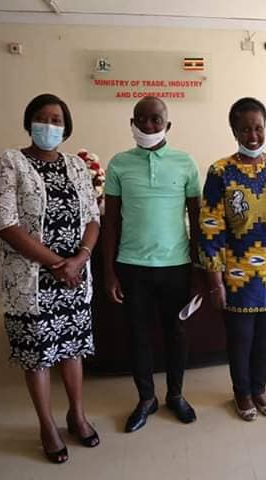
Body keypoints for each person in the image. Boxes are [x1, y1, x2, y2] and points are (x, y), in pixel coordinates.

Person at [0, 93, 100, 463]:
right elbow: (5, 223)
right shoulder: (10, 163)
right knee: (38, 354)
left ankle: (76, 414)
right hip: (32, 280)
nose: (49, 125)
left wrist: (80, 257)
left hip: (74, 276)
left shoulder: (77, 166)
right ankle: (46, 425)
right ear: (28, 122)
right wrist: (57, 264)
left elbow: (92, 219)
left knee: (72, 347)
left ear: (66, 127)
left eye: (56, 119)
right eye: (42, 118)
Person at [199, 97, 266, 421]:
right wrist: (215, 280)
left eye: (258, 127)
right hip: (237, 275)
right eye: (245, 129)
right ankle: (241, 392)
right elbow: (210, 225)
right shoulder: (220, 171)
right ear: (234, 130)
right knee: (240, 339)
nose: (253, 135)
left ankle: (259, 388)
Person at [102, 97, 201, 431]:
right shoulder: (118, 164)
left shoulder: (185, 162)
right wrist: (109, 271)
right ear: (131, 122)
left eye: (155, 119)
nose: (148, 126)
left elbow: (197, 218)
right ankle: (146, 398)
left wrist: (200, 267)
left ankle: (175, 395)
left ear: (167, 125)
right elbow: (111, 222)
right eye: (141, 119)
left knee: (176, 332)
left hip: (177, 264)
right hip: (132, 265)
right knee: (138, 335)